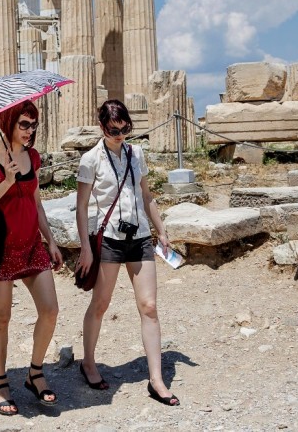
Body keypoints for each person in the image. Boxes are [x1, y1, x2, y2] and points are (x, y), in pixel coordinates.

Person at [75, 99, 179, 407]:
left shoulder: (137, 153)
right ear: (102, 127)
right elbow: (81, 208)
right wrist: (85, 248)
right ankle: (89, 362)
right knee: (101, 303)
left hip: (140, 236)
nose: (120, 135)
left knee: (149, 306)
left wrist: (162, 230)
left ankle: (156, 379)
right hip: (108, 238)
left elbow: (146, 195)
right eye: (113, 130)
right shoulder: (90, 159)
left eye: (125, 129)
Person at [0, 100, 63, 416]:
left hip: (31, 245)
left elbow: (36, 203)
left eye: (33, 124)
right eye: (24, 123)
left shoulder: (33, 157)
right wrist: (7, 183)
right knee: (2, 318)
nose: (30, 130)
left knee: (50, 310)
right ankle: (1, 382)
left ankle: (34, 372)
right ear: (8, 122)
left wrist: (50, 240)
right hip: (0, 249)